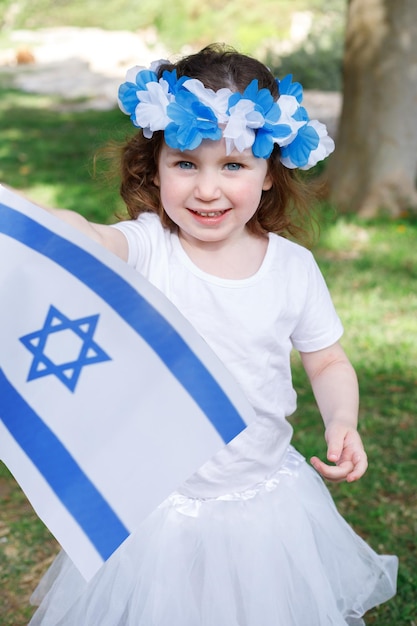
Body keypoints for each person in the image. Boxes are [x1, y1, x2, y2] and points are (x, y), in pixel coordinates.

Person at [28, 44, 397, 626]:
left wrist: (342, 420)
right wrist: (54, 226)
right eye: (185, 164)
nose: (207, 189)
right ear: (155, 167)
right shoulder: (151, 247)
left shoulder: (292, 268)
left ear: (269, 172)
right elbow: (97, 240)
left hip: (263, 497)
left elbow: (326, 362)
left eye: (232, 166)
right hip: (159, 505)